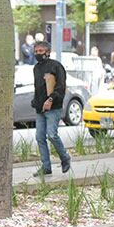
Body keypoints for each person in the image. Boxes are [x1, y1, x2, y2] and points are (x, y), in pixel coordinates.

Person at [31, 41, 71, 176]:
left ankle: (65, 158)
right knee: (40, 137)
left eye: (41, 51)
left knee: (52, 134)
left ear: (48, 52)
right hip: (40, 109)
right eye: (36, 51)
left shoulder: (56, 66)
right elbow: (38, 88)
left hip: (53, 107)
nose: (38, 54)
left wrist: (51, 99)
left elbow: (61, 87)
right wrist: (35, 101)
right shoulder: (36, 68)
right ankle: (46, 167)